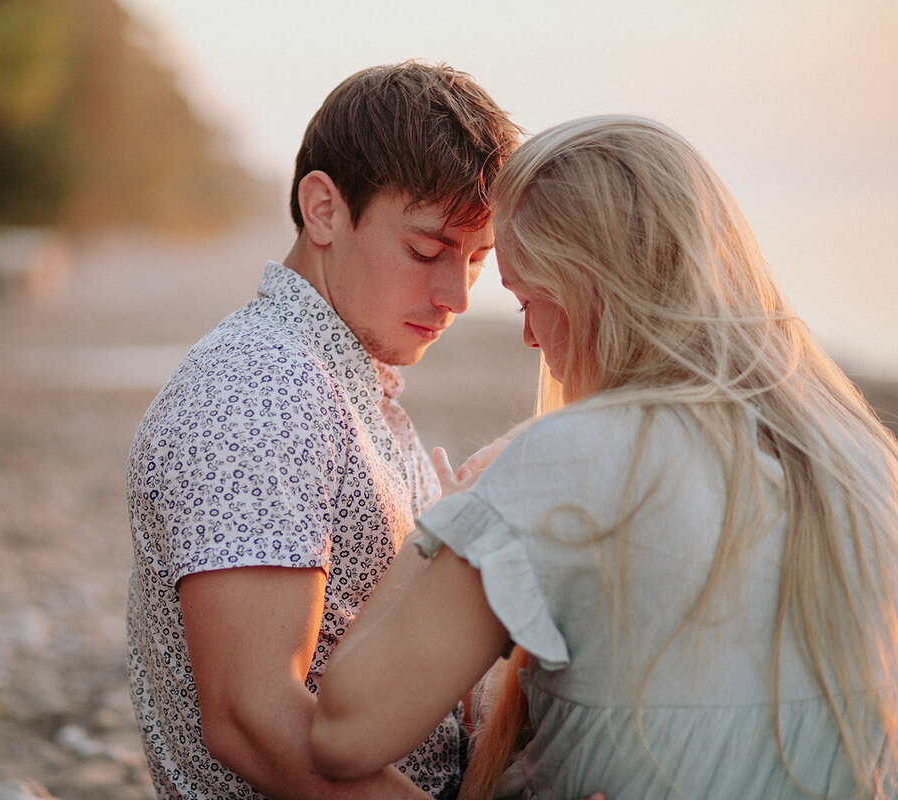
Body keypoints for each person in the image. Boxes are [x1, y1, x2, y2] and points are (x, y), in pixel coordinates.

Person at [310, 115, 898, 799]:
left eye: (532, 298)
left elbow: (344, 732)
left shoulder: (569, 463)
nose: (529, 336)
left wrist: (449, 520)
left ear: (591, 288)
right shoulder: (858, 452)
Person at [125, 61, 522, 799]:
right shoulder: (259, 386)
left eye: (477, 260)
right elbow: (251, 717)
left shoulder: (335, 377)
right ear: (325, 210)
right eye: (429, 252)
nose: (458, 296)